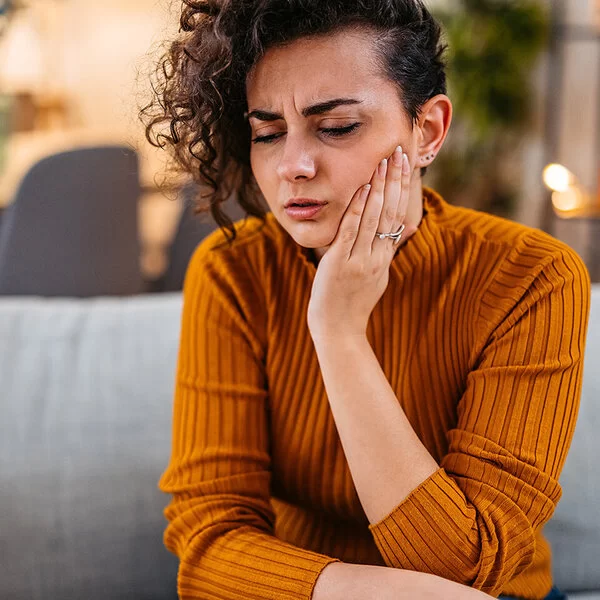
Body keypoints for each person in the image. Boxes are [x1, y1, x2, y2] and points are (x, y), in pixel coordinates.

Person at [143, 1, 591, 598]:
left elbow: (470, 567)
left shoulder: (532, 278)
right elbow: (209, 547)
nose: (293, 166)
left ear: (427, 130)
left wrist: (340, 332)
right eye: (268, 133)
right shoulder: (233, 271)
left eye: (337, 128)